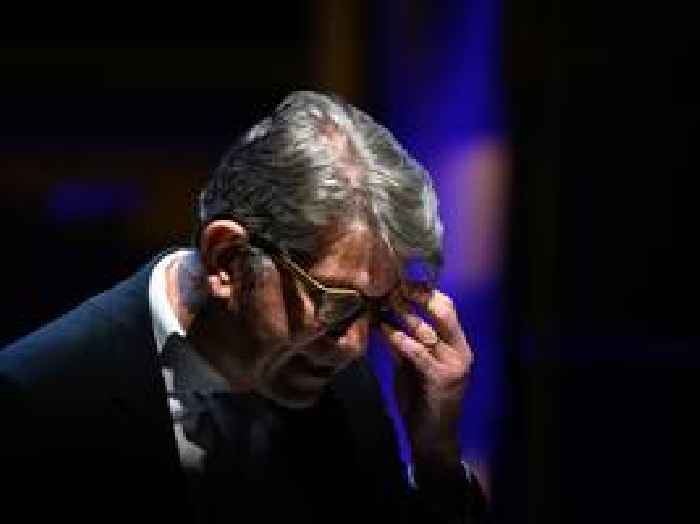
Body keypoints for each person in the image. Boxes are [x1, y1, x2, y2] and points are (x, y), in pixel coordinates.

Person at [0, 91, 487, 523]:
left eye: (376, 310)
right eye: (335, 302)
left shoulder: (340, 385)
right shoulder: (37, 397)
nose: (356, 346)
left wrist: (436, 458)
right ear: (226, 259)